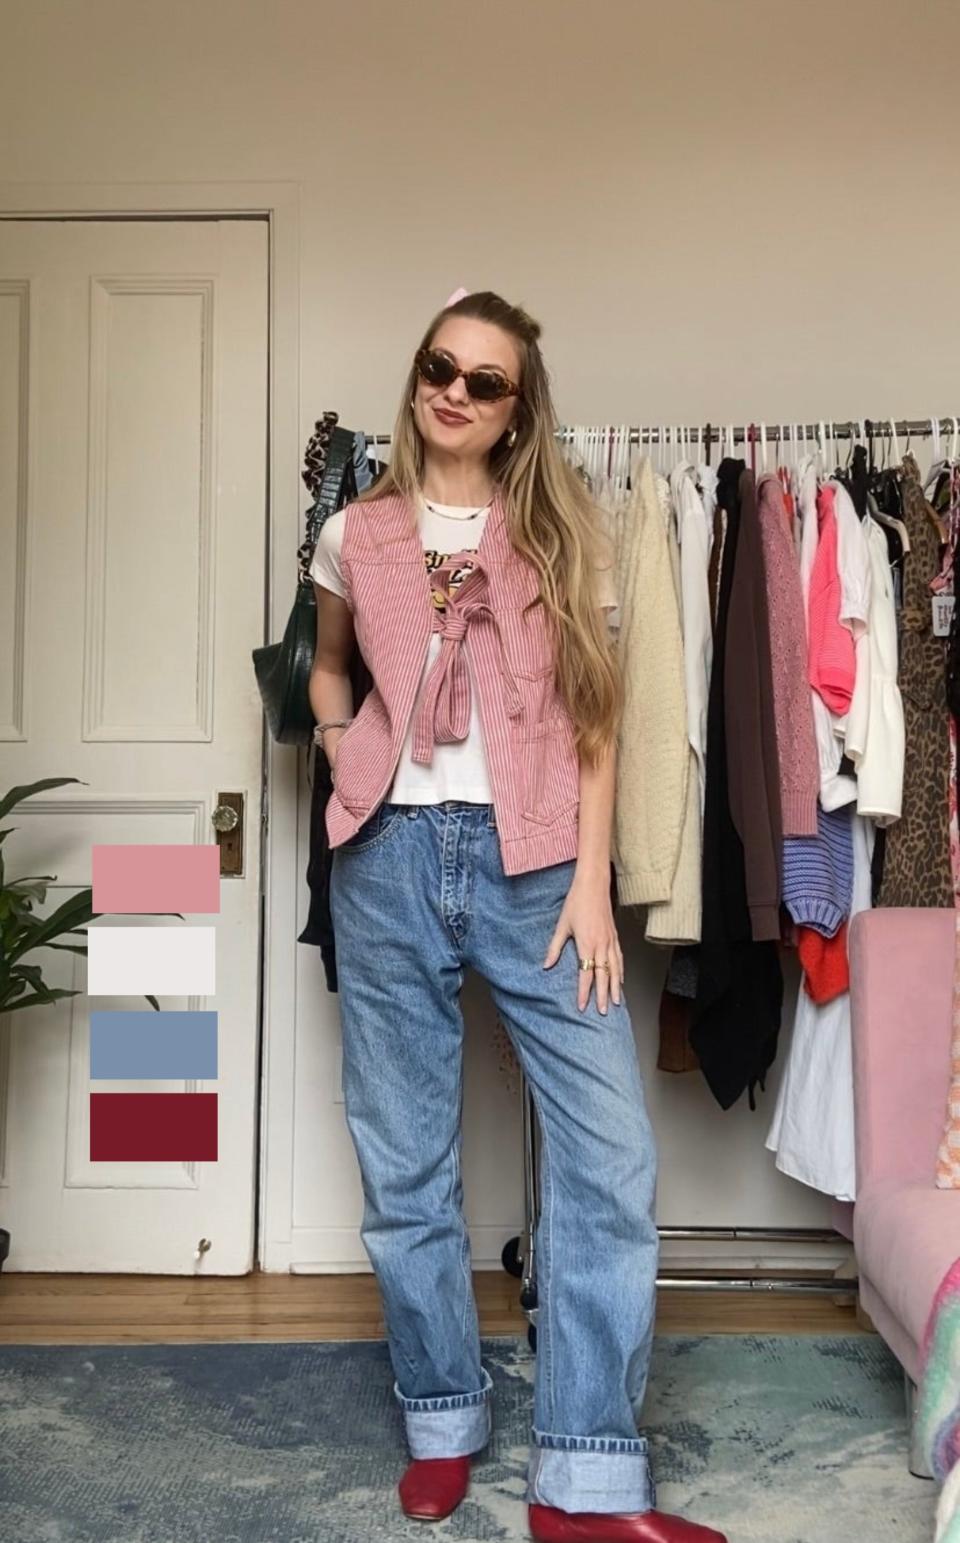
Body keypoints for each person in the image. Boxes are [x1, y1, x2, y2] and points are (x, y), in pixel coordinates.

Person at [308, 288, 726, 1543]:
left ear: (518, 408)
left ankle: (587, 1478)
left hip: (538, 862)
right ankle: (441, 1414)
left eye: (485, 380)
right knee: (406, 1159)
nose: (455, 391)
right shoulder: (357, 533)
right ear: (419, 376)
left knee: (607, 1159)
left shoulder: (568, 533)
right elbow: (330, 663)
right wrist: (342, 750)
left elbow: (594, 719)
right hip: (385, 859)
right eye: (441, 366)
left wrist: (592, 885)